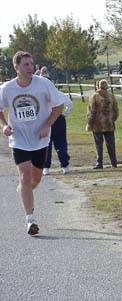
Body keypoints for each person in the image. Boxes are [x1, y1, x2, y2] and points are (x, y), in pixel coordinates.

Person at [0, 51, 64, 235]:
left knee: (35, 179)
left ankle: (24, 191)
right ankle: (30, 219)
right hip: (19, 138)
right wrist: (5, 126)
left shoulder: (43, 84)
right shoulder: (7, 88)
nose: (31, 68)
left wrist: (47, 125)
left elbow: (59, 106)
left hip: (40, 138)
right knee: (25, 176)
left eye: (32, 64)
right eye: (26, 64)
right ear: (16, 67)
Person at [40, 66, 73, 175]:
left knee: (47, 144)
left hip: (47, 120)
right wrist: (64, 115)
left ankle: (47, 167)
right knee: (60, 143)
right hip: (58, 119)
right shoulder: (59, 93)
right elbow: (70, 105)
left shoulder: (41, 96)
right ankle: (64, 165)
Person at [86, 79, 119, 169]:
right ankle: (114, 162)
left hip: (97, 124)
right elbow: (116, 111)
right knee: (111, 144)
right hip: (109, 124)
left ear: (98, 86)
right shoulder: (112, 97)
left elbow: (91, 111)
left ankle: (99, 163)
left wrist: (89, 123)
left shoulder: (94, 97)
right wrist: (112, 119)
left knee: (99, 144)